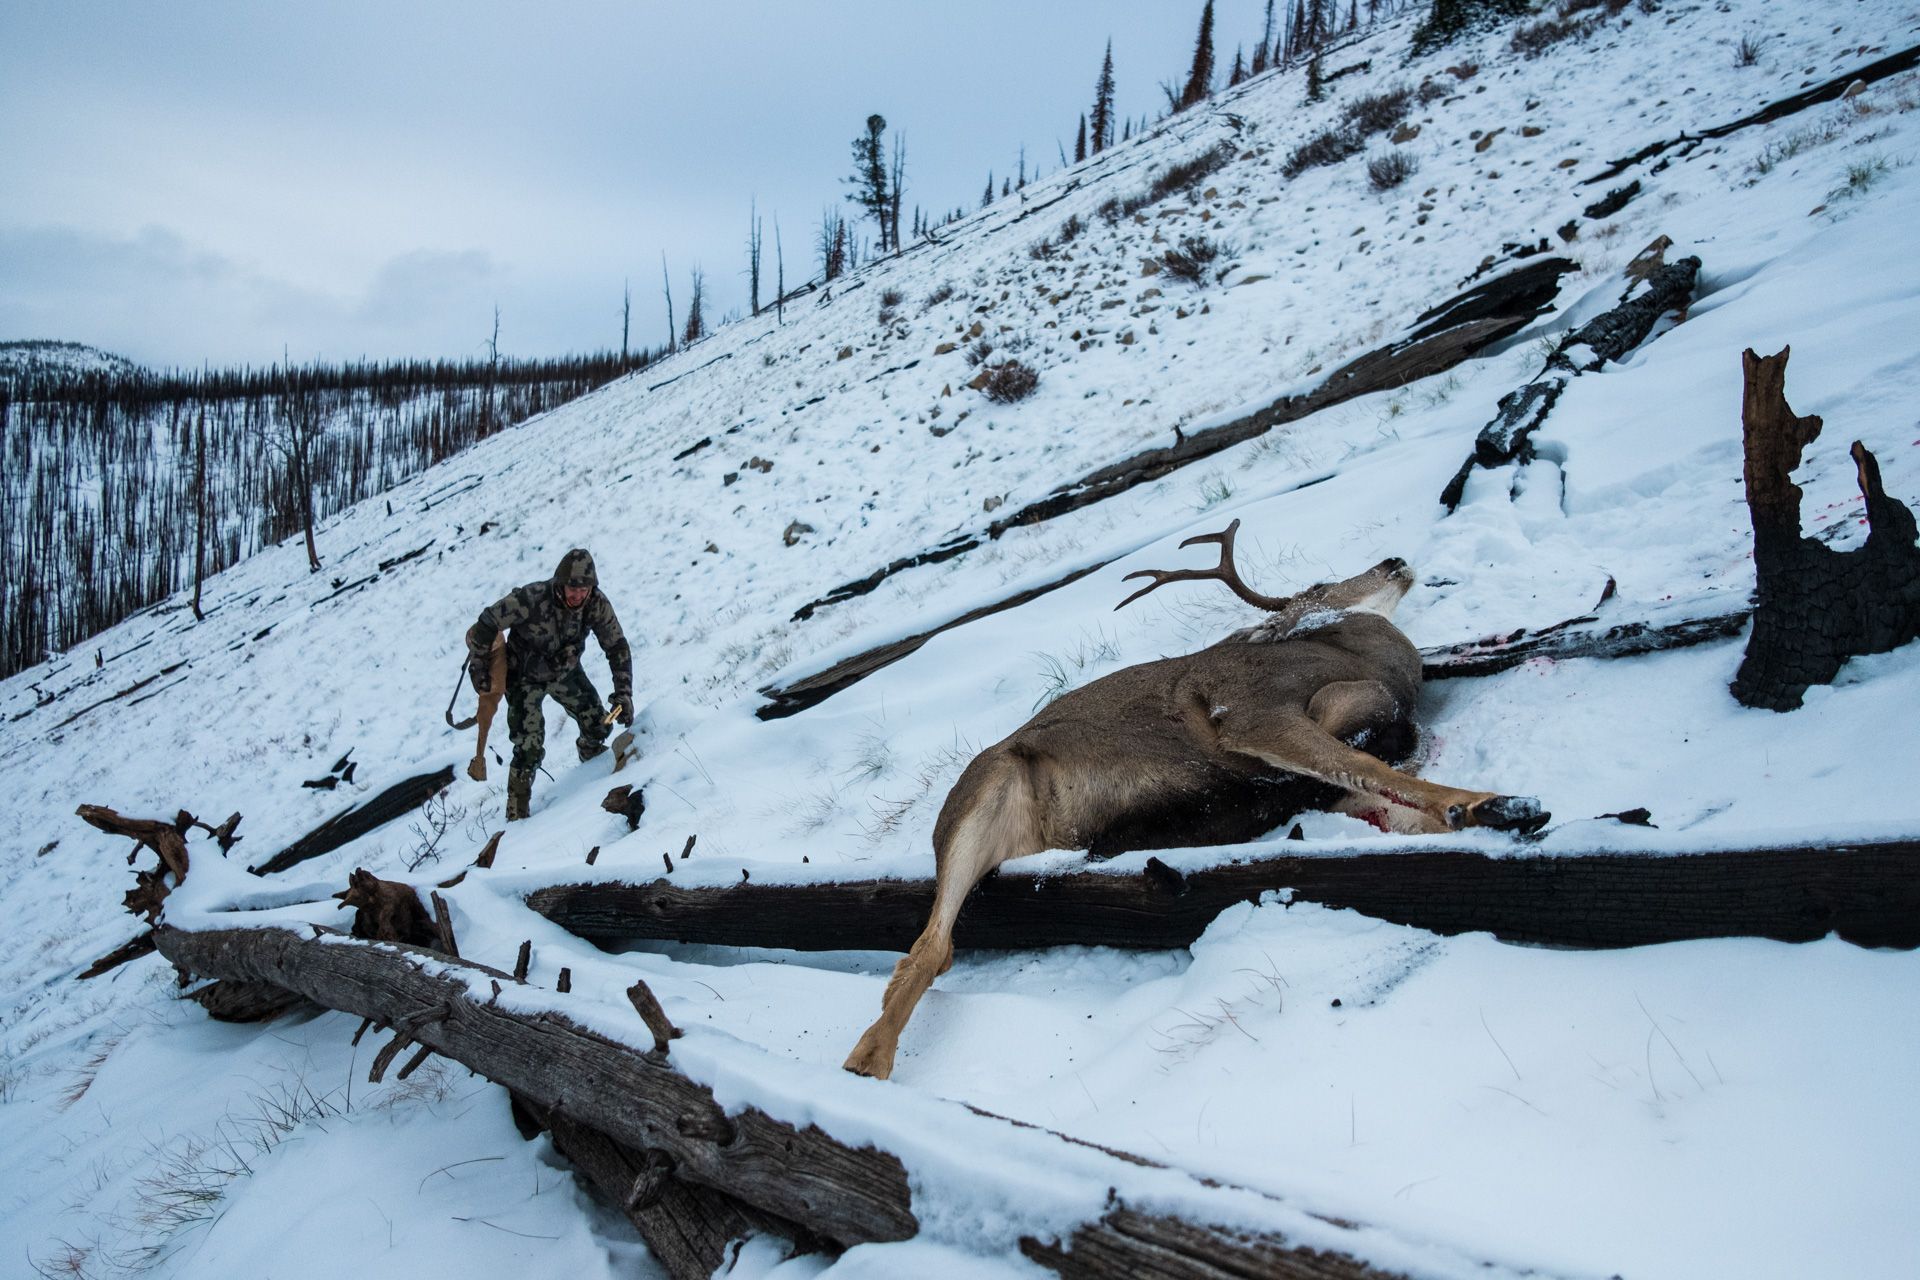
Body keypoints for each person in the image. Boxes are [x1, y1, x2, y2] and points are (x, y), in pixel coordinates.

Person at [467, 548, 633, 821]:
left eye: (585, 589)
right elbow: (487, 623)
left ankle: (591, 764)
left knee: (598, 723)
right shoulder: (531, 598)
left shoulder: (596, 604)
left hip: (564, 671)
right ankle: (517, 815)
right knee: (529, 747)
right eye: (572, 588)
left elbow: (616, 646)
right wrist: (479, 665)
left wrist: (624, 694)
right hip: (523, 678)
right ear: (560, 582)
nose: (578, 595)